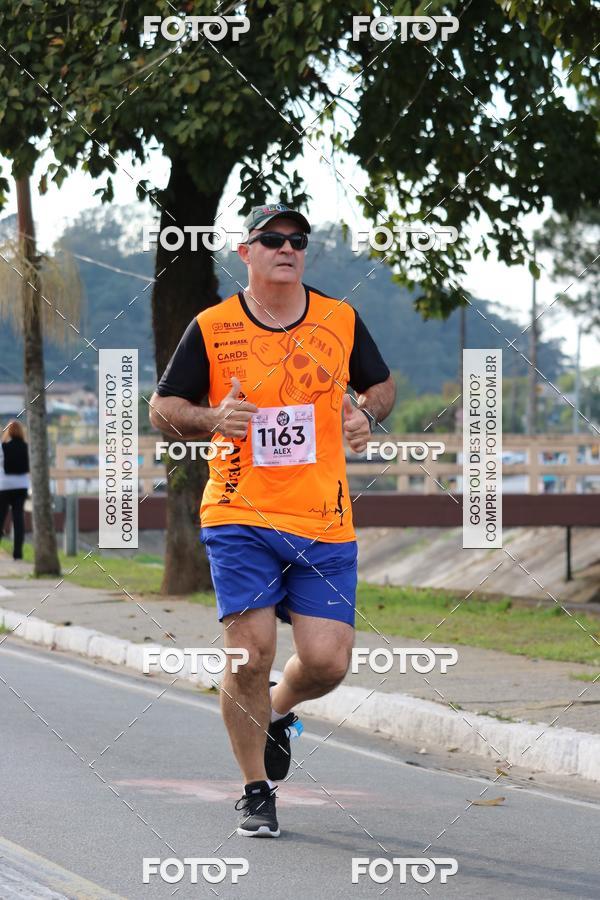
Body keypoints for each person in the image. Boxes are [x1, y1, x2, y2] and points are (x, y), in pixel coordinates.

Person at [150, 203, 395, 837]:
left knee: (327, 663)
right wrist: (210, 420)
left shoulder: (340, 320)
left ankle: (280, 714)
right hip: (238, 515)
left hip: (322, 518)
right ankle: (256, 789)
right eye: (272, 239)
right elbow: (162, 407)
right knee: (249, 655)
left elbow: (383, 386)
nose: (287, 248)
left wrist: (366, 412)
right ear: (247, 253)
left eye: (297, 240)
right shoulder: (212, 326)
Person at [0, 420, 30, 561]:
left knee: (1, 518)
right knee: (18, 520)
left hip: (4, 486)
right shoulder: (27, 447)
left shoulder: (3, 447)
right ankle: (17, 554)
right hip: (21, 486)